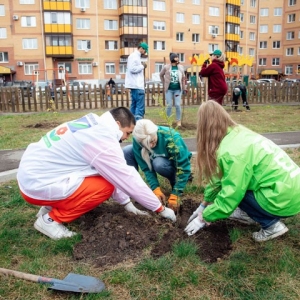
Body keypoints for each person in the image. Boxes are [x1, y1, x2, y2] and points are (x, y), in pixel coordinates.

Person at [17, 107, 176, 240]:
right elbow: (125, 177)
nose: (126, 138)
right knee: (104, 186)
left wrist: (127, 204)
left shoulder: (93, 123)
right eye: (127, 133)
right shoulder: (102, 138)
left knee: (101, 176)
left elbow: (111, 171)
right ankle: (50, 220)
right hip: (37, 184)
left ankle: (48, 207)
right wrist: (159, 209)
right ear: (118, 124)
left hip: (35, 176)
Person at [185, 100, 300, 242]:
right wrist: (204, 204)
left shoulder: (231, 153)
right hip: (291, 190)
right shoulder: (238, 133)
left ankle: (272, 226)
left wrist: (204, 218)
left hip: (284, 198)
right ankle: (249, 214)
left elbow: (231, 193)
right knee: (239, 183)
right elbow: (218, 179)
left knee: (239, 192)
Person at [123, 119, 192, 211]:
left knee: (159, 163)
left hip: (171, 165)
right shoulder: (138, 140)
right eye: (146, 144)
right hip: (156, 160)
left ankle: (175, 181)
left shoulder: (171, 137)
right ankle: (134, 188)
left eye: (153, 141)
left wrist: (176, 193)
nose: (151, 146)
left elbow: (184, 167)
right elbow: (146, 168)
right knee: (127, 151)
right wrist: (155, 188)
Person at [159, 53, 186, 127]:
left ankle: (178, 121)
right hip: (169, 90)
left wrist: (184, 88)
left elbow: (183, 78)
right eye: (176, 57)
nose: (178, 58)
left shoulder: (180, 67)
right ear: (173, 58)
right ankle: (168, 121)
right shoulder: (166, 67)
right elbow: (161, 75)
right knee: (169, 105)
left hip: (177, 90)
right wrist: (164, 83)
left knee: (177, 104)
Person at [125, 42, 148, 121]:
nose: (145, 53)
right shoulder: (134, 56)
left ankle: (131, 123)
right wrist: (142, 66)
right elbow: (133, 69)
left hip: (134, 85)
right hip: (137, 85)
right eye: (145, 51)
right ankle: (138, 124)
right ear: (141, 48)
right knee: (139, 107)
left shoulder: (134, 56)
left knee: (134, 106)